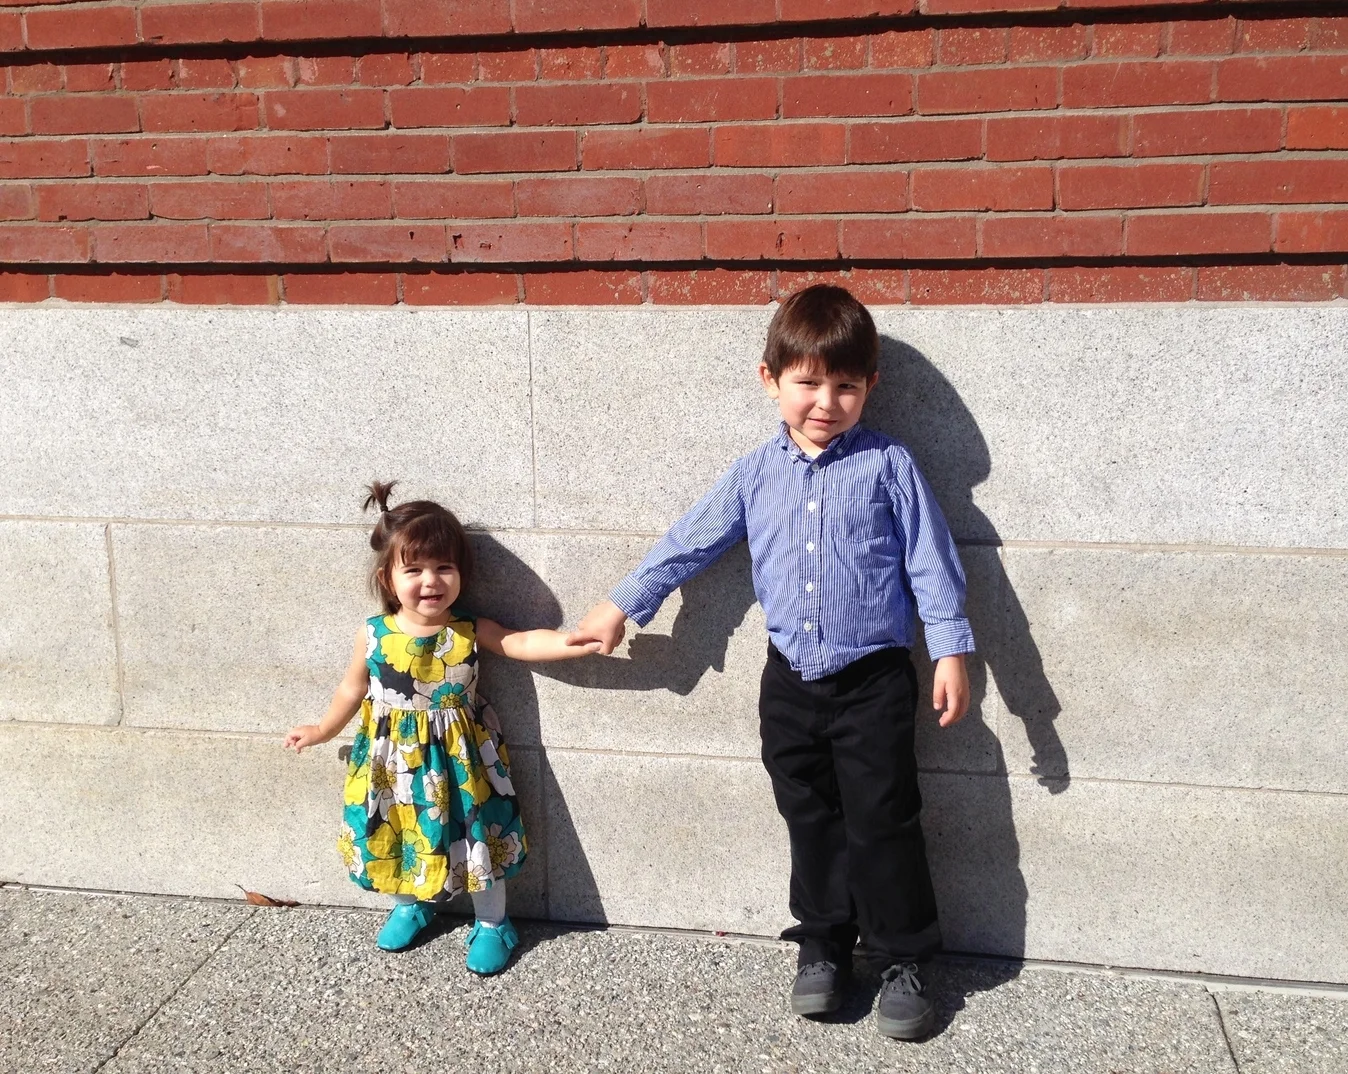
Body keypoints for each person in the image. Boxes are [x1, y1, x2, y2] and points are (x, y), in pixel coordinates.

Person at [570, 285, 973, 1040]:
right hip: (790, 682)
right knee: (810, 817)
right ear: (770, 379)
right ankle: (823, 945)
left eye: (846, 385)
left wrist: (950, 649)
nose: (826, 402)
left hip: (874, 679)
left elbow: (931, 560)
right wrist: (623, 603)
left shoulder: (889, 464)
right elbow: (690, 541)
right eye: (808, 382)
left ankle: (902, 958)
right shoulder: (755, 474)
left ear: (870, 386)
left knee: (883, 820)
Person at [286, 482, 600, 973]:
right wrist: (323, 729)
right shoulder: (373, 633)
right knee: (399, 831)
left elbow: (519, 643)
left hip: (460, 764)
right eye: (413, 569)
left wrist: (572, 641)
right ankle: (412, 904)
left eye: (444, 568)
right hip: (393, 766)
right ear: (389, 578)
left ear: (461, 574)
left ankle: (493, 923)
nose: (430, 581)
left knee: (477, 838)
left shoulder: (468, 629)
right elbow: (352, 688)